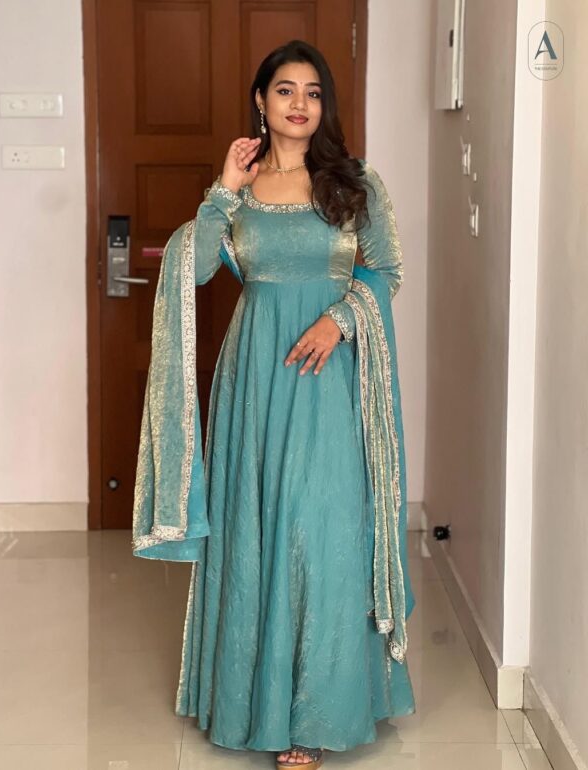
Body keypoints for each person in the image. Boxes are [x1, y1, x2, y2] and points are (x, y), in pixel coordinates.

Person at [132, 39, 416, 769]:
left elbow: (387, 271)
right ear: (261, 101)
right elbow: (193, 270)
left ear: (325, 106)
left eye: (313, 93)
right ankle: (256, 706)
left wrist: (340, 318)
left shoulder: (354, 183)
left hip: (330, 374)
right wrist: (222, 189)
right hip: (256, 378)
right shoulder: (242, 190)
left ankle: (316, 712)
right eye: (285, 90)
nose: (300, 104)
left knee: (322, 530)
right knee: (257, 530)